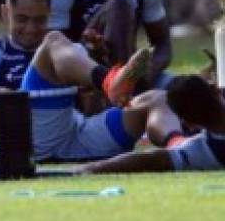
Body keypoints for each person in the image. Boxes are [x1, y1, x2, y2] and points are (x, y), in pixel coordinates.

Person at [21, 31, 178, 162]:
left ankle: (182, 147)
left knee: (158, 98)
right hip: (40, 139)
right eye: (22, 19)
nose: (31, 28)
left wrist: (99, 59)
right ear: (6, 13)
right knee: (52, 40)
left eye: (40, 20)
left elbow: (92, 108)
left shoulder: (72, 51)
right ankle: (109, 81)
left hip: (80, 134)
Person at [80, 74, 222, 174]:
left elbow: (148, 160)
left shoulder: (199, 153)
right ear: (215, 89)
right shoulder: (199, 151)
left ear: (188, 123)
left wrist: (89, 169)